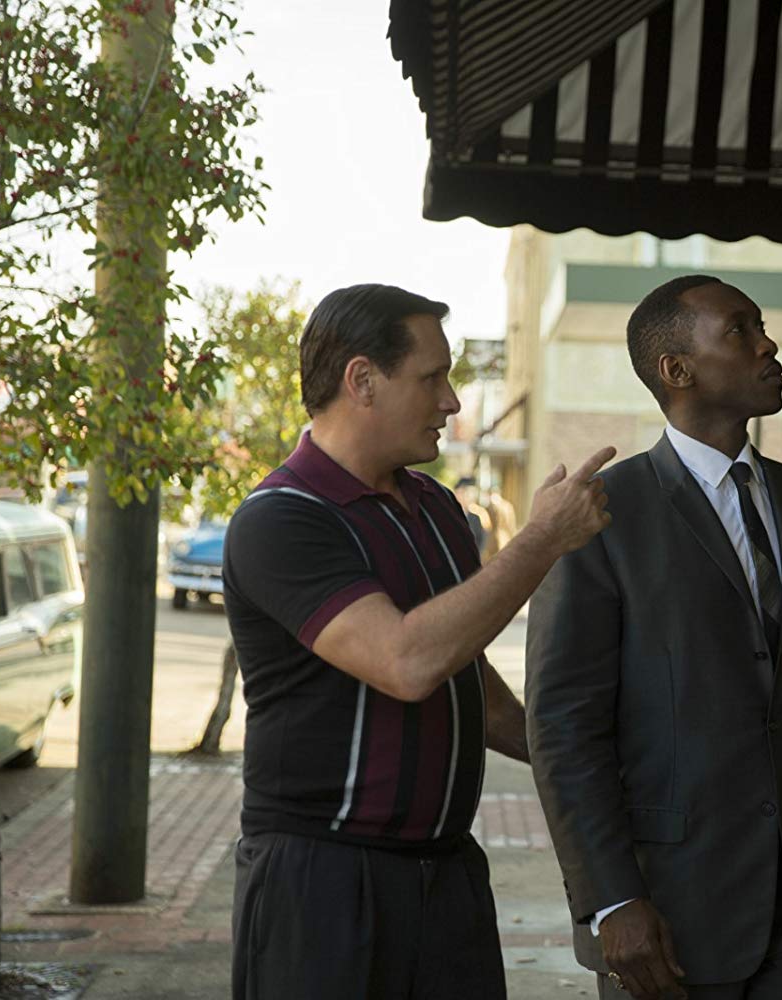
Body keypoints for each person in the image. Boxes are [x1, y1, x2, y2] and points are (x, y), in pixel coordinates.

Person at [223, 283, 615, 1000]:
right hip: (323, 883)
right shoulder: (280, 519)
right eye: (433, 377)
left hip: (447, 876)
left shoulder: (435, 506)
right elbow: (406, 662)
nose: (453, 401)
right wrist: (542, 540)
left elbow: (465, 677)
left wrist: (576, 752)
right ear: (362, 380)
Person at [526, 275, 782, 1000]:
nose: (768, 343)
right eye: (741, 330)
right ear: (676, 371)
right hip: (670, 918)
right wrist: (611, 900)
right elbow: (564, 725)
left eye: (761, 327)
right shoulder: (602, 514)